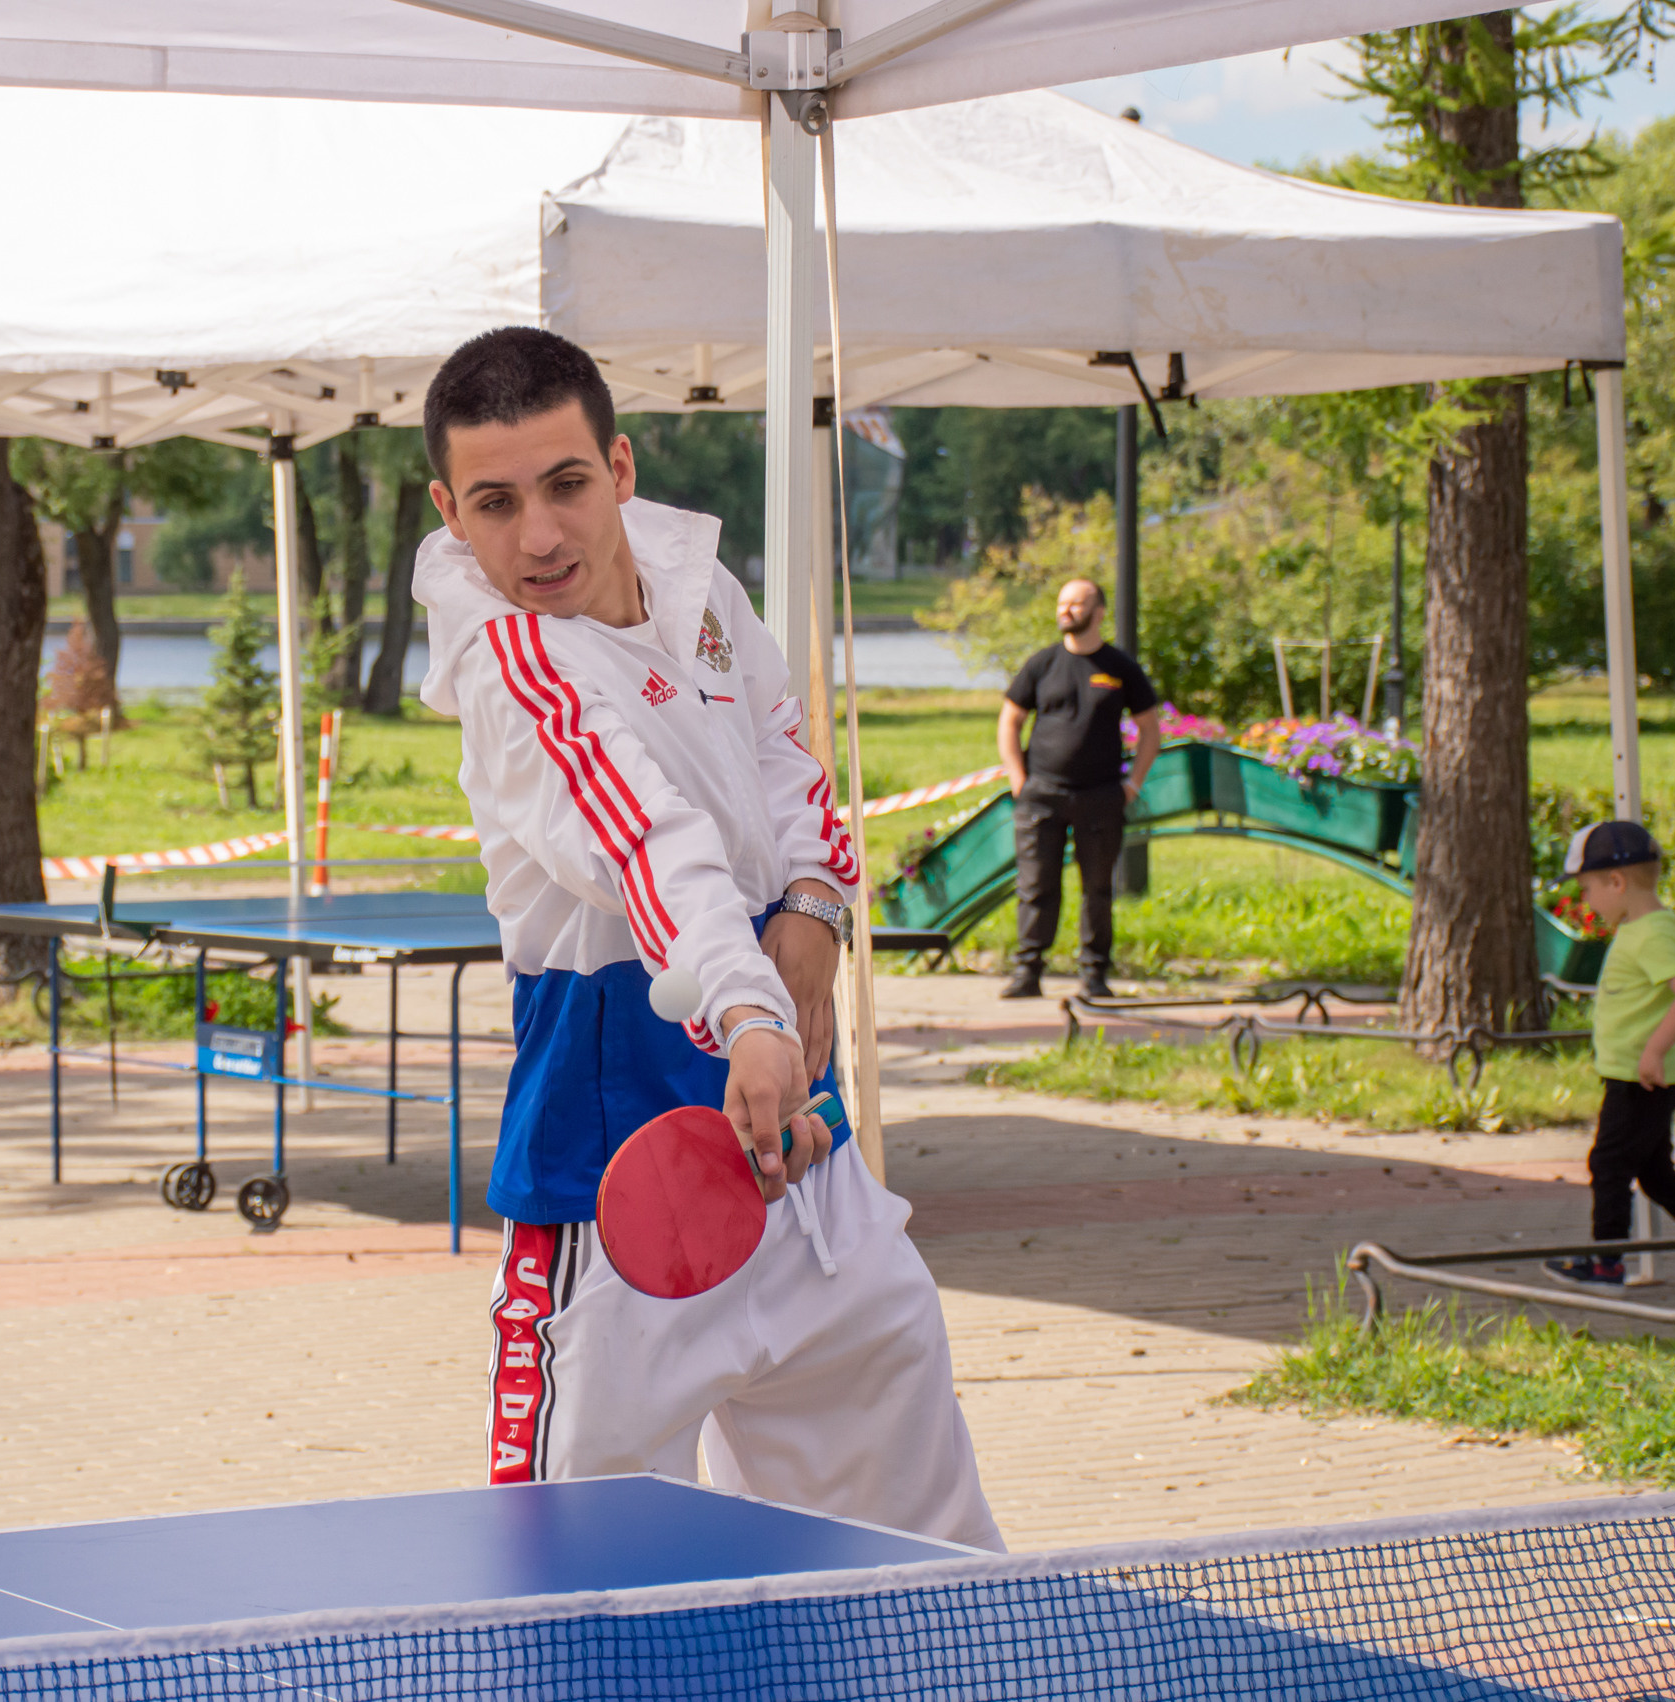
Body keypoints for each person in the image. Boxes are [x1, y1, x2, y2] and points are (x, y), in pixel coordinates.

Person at [415, 327, 1002, 1551]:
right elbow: (648, 842)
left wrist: (814, 906)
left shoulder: (703, 589)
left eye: (566, 485)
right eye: (496, 502)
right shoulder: (508, 659)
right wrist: (750, 1008)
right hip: (619, 1192)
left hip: (798, 1158)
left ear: (619, 467)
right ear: (448, 511)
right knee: (580, 1603)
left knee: (923, 1563)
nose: (539, 536)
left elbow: (787, 764)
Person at [1544, 820, 1675, 1294]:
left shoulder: (1652, 932)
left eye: (1587, 889)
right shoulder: (1638, 930)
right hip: (1631, 1077)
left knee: (1608, 1165)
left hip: (1642, 1080)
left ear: (1617, 882)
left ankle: (1607, 1260)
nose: (1584, 901)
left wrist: (1655, 1050)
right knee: (1654, 1173)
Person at [995, 579, 1159, 1001]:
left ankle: (1094, 974)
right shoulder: (1042, 664)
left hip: (1101, 796)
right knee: (1035, 886)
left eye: (1077, 602)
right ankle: (1028, 971)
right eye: (1062, 601)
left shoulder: (1120, 668)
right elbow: (1009, 721)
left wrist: (1133, 784)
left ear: (1099, 611)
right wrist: (1019, 780)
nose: (1066, 609)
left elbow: (1149, 730)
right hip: (1041, 795)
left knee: (1098, 889)